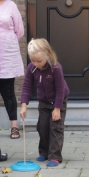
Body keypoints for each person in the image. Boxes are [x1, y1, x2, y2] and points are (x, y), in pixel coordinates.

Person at [20, 38, 70, 167]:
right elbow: (27, 86)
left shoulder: (55, 67)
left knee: (55, 128)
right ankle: (44, 152)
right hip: (43, 102)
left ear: (47, 54)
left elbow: (60, 89)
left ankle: (55, 156)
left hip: (58, 101)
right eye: (33, 60)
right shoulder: (32, 68)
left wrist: (57, 108)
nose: (36, 63)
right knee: (42, 127)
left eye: (39, 60)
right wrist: (24, 105)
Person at [0, 0, 24, 139]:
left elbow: (19, 31)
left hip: (7, 54)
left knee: (8, 92)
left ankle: (14, 127)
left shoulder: (11, 5)